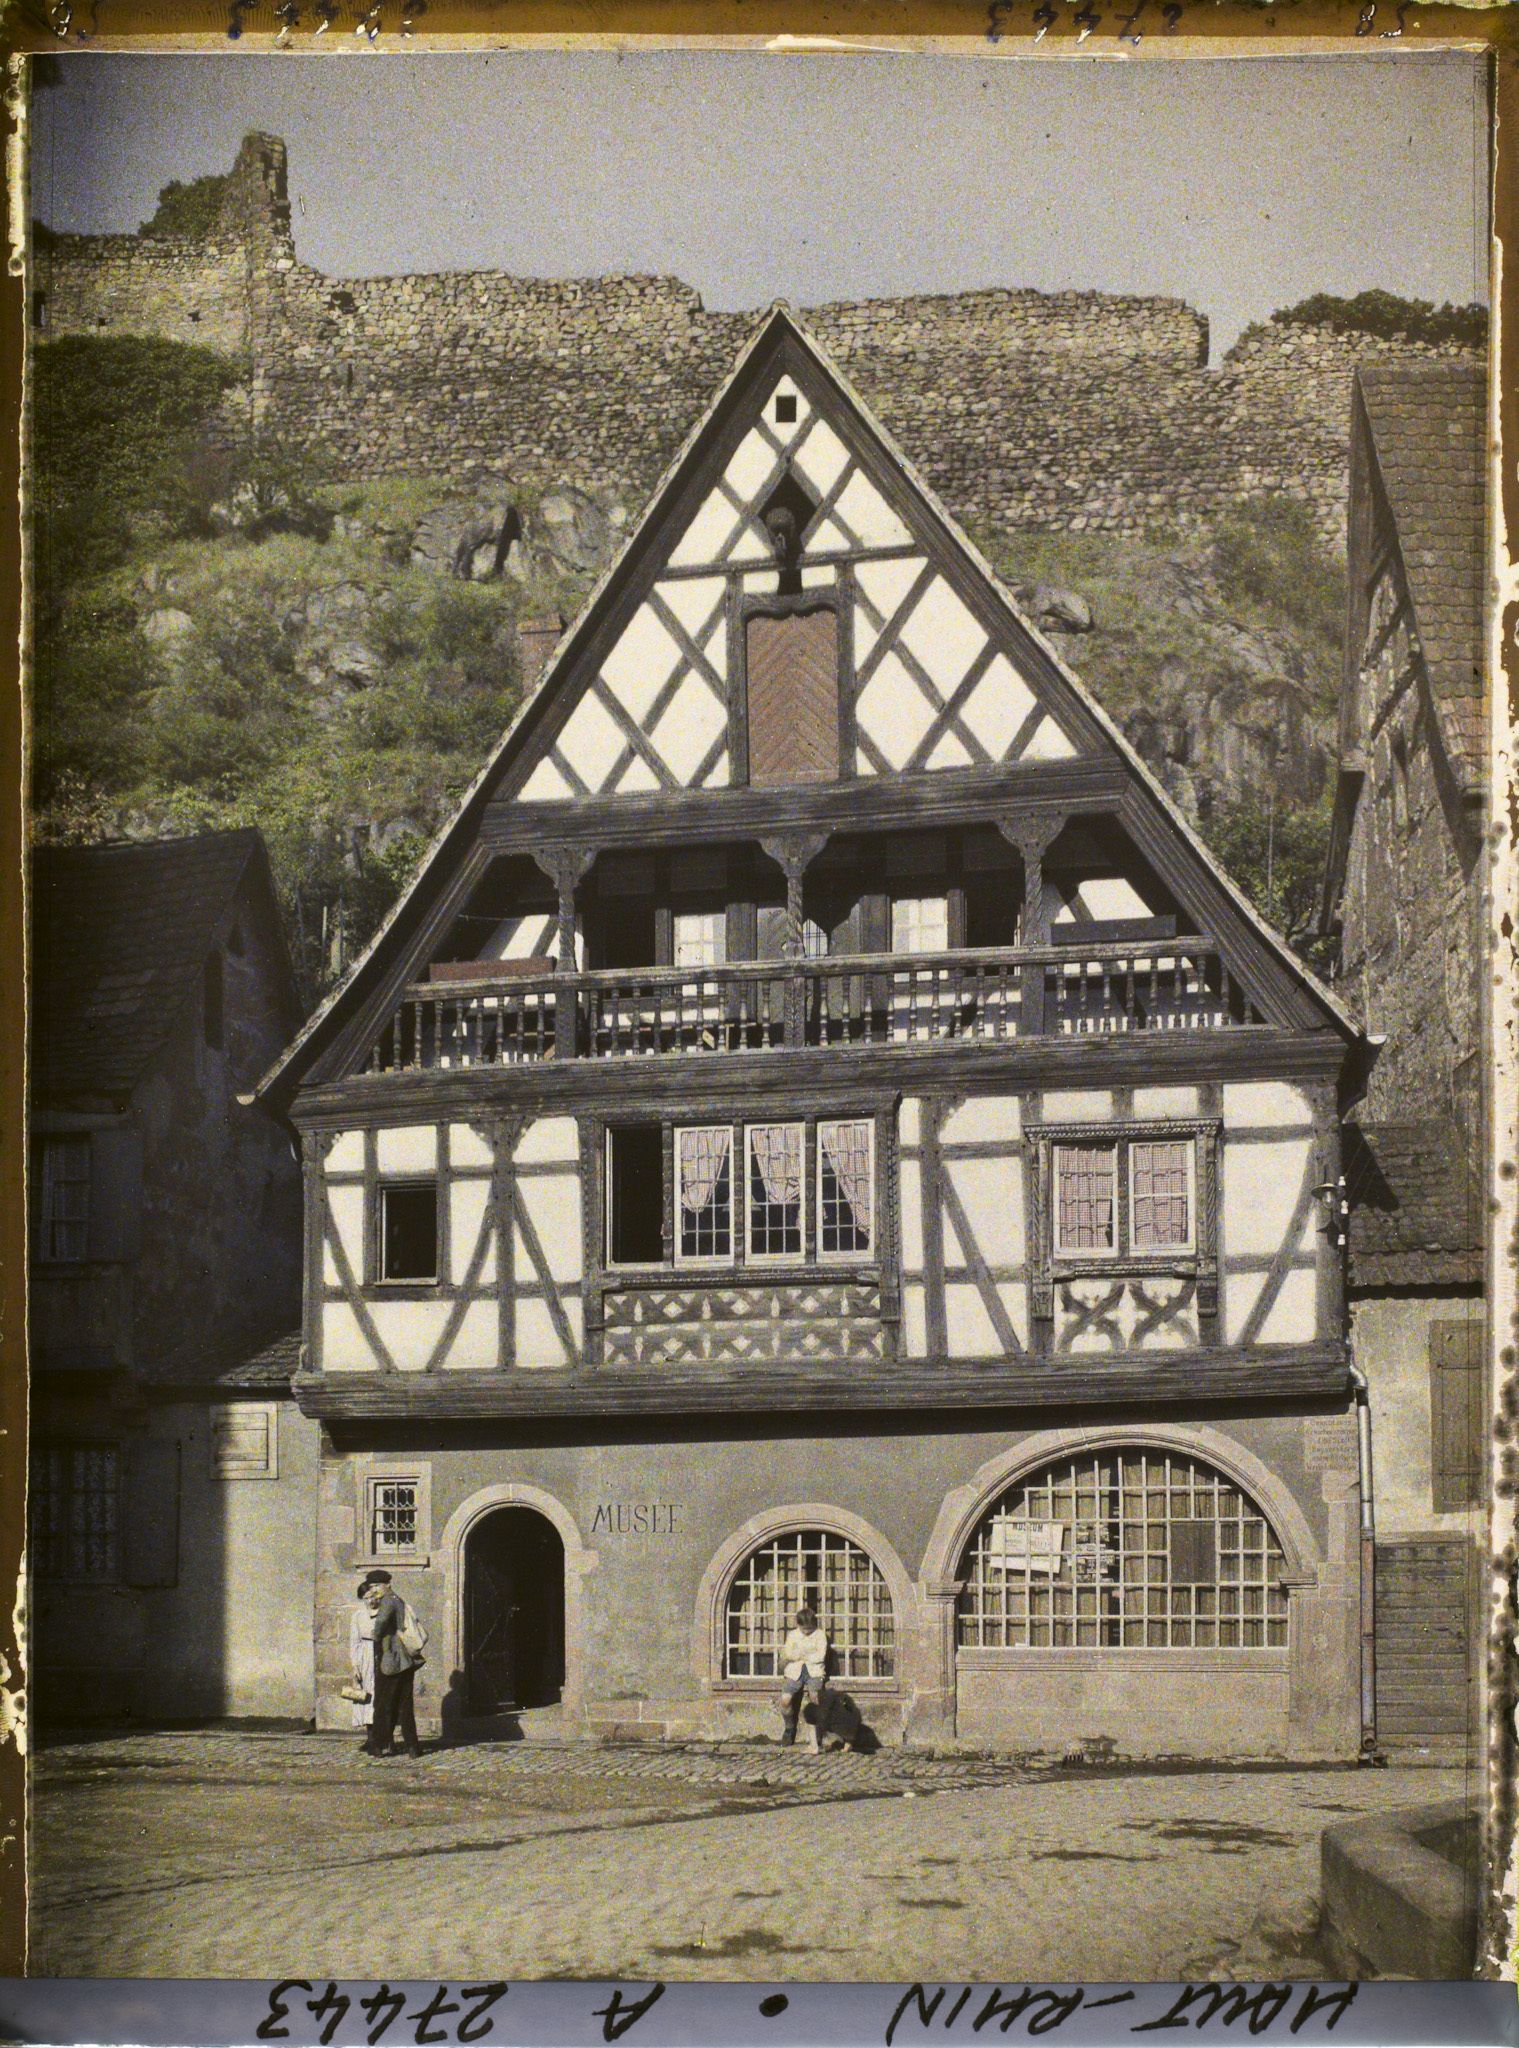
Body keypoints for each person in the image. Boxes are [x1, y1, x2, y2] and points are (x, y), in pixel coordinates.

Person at [360, 1568, 424, 1759]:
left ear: (387, 1584)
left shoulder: (388, 1600)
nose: (374, 1590)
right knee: (405, 1704)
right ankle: (413, 1746)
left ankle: (378, 1745)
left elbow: (380, 1625)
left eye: (376, 1586)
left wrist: (375, 1635)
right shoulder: (398, 1599)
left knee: (382, 1703)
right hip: (405, 1660)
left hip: (391, 1659)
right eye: (371, 1587)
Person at [778, 1605, 829, 1751]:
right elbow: (788, 1653)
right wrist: (803, 1655)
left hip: (814, 1671)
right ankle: (789, 1728)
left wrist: (801, 1654)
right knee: (785, 1700)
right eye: (804, 1629)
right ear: (798, 1625)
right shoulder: (793, 1635)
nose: (807, 1632)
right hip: (795, 1670)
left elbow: (820, 1656)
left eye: (809, 1629)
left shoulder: (820, 1635)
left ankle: (816, 1736)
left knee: (815, 1699)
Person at [347, 1579, 381, 1748]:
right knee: (367, 1696)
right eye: (366, 1598)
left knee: (381, 1697)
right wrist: (355, 1666)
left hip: (381, 1654)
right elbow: (354, 1642)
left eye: (372, 1596)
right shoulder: (358, 1616)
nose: (370, 1601)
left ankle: (385, 1738)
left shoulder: (384, 1612)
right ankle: (371, 1738)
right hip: (365, 1657)